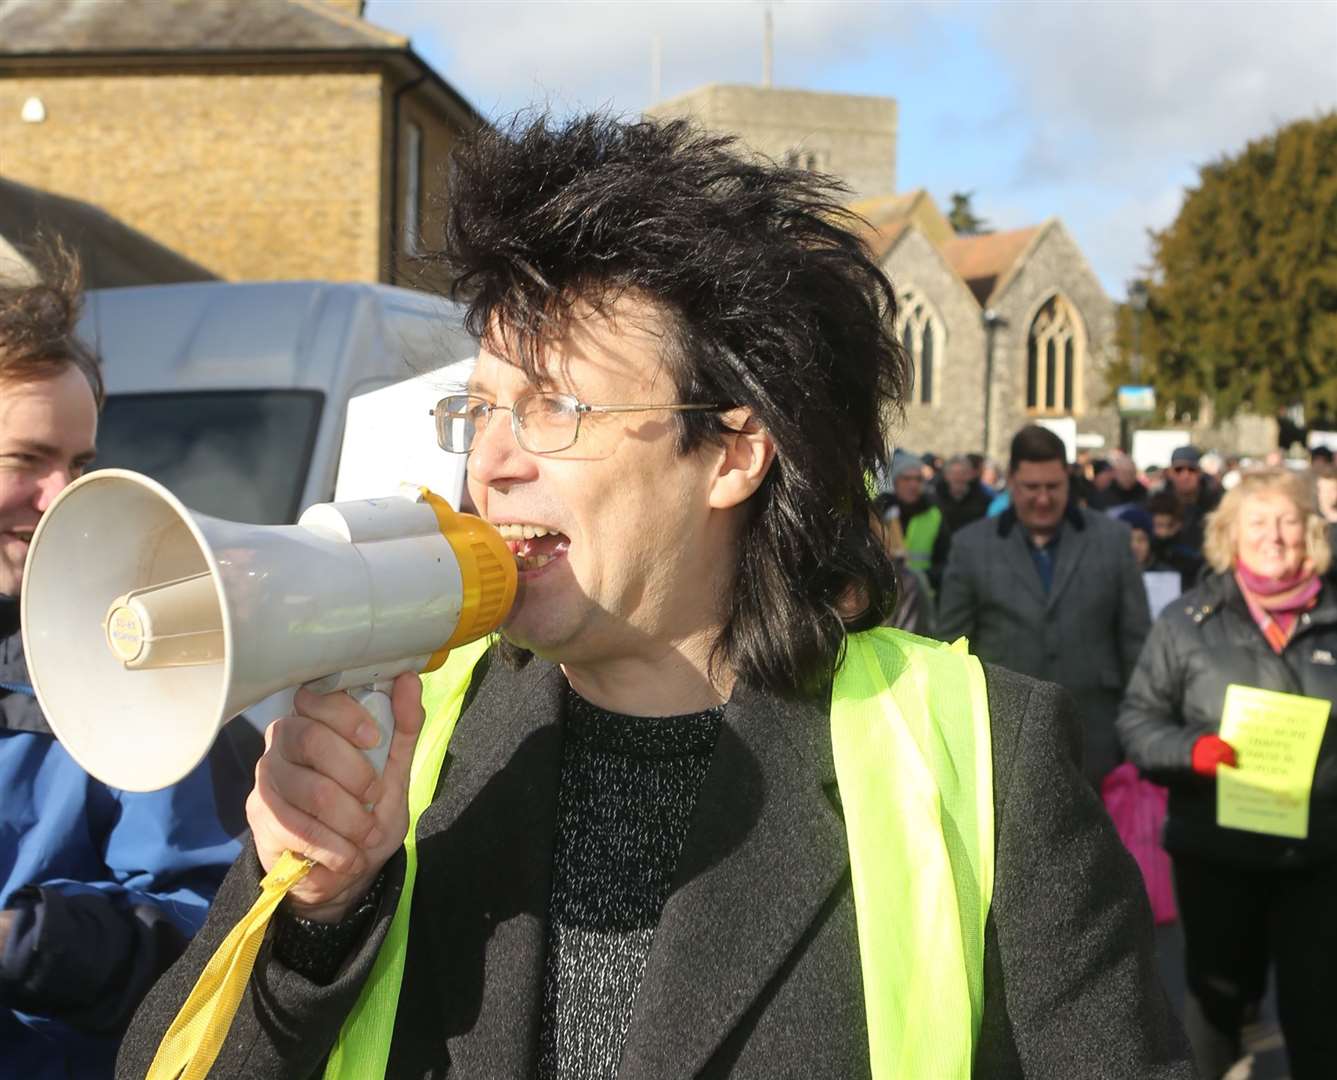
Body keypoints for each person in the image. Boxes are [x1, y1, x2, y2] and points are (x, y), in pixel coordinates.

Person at [121, 114, 1191, 1079]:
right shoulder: (418, 733)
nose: (488, 461)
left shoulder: (984, 757)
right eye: (478, 411)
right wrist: (321, 915)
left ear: (731, 453)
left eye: (551, 410)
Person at [0, 244, 254, 1078]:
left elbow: (204, 934)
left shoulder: (135, 654)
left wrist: (27, 943)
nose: (59, 497)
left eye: (78, 464)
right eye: (26, 461)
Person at [1117, 468, 1337, 1080]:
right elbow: (1137, 722)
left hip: (1319, 857)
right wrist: (1192, 752)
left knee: (1319, 1012)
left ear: (1312, 532)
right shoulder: (1188, 621)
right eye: (1258, 522)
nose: (1275, 536)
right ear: (1229, 534)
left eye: (1289, 521)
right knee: (1212, 1008)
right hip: (1215, 851)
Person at [938, 425, 1152, 786]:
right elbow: (951, 649)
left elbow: (1136, 642)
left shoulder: (1112, 541)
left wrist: (1137, 731)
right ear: (1011, 482)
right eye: (1031, 488)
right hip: (1004, 745)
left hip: (1097, 741)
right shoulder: (971, 547)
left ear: (1068, 481)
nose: (1043, 499)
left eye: (1053, 487)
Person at [874, 449, 950, 594]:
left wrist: (922, 578)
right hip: (885, 595)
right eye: (907, 479)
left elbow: (945, 560)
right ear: (895, 481)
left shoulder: (933, 514)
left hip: (921, 597)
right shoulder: (879, 512)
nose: (913, 484)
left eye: (918, 479)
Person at [1146, 489, 1206, 592]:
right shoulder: (1145, 552)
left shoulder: (1190, 554)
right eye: (1159, 525)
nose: (1164, 532)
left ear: (1179, 524)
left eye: (1170, 526)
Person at [1165, 445, 1221, 554]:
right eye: (1178, 470)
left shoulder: (1215, 504)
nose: (1185, 475)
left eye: (1191, 470)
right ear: (1170, 473)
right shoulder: (1157, 503)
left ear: (1199, 473)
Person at [935, 453, 991, 537]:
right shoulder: (935, 500)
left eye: (962, 473)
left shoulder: (983, 501)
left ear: (970, 475)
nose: (958, 478)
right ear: (946, 476)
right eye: (954, 473)